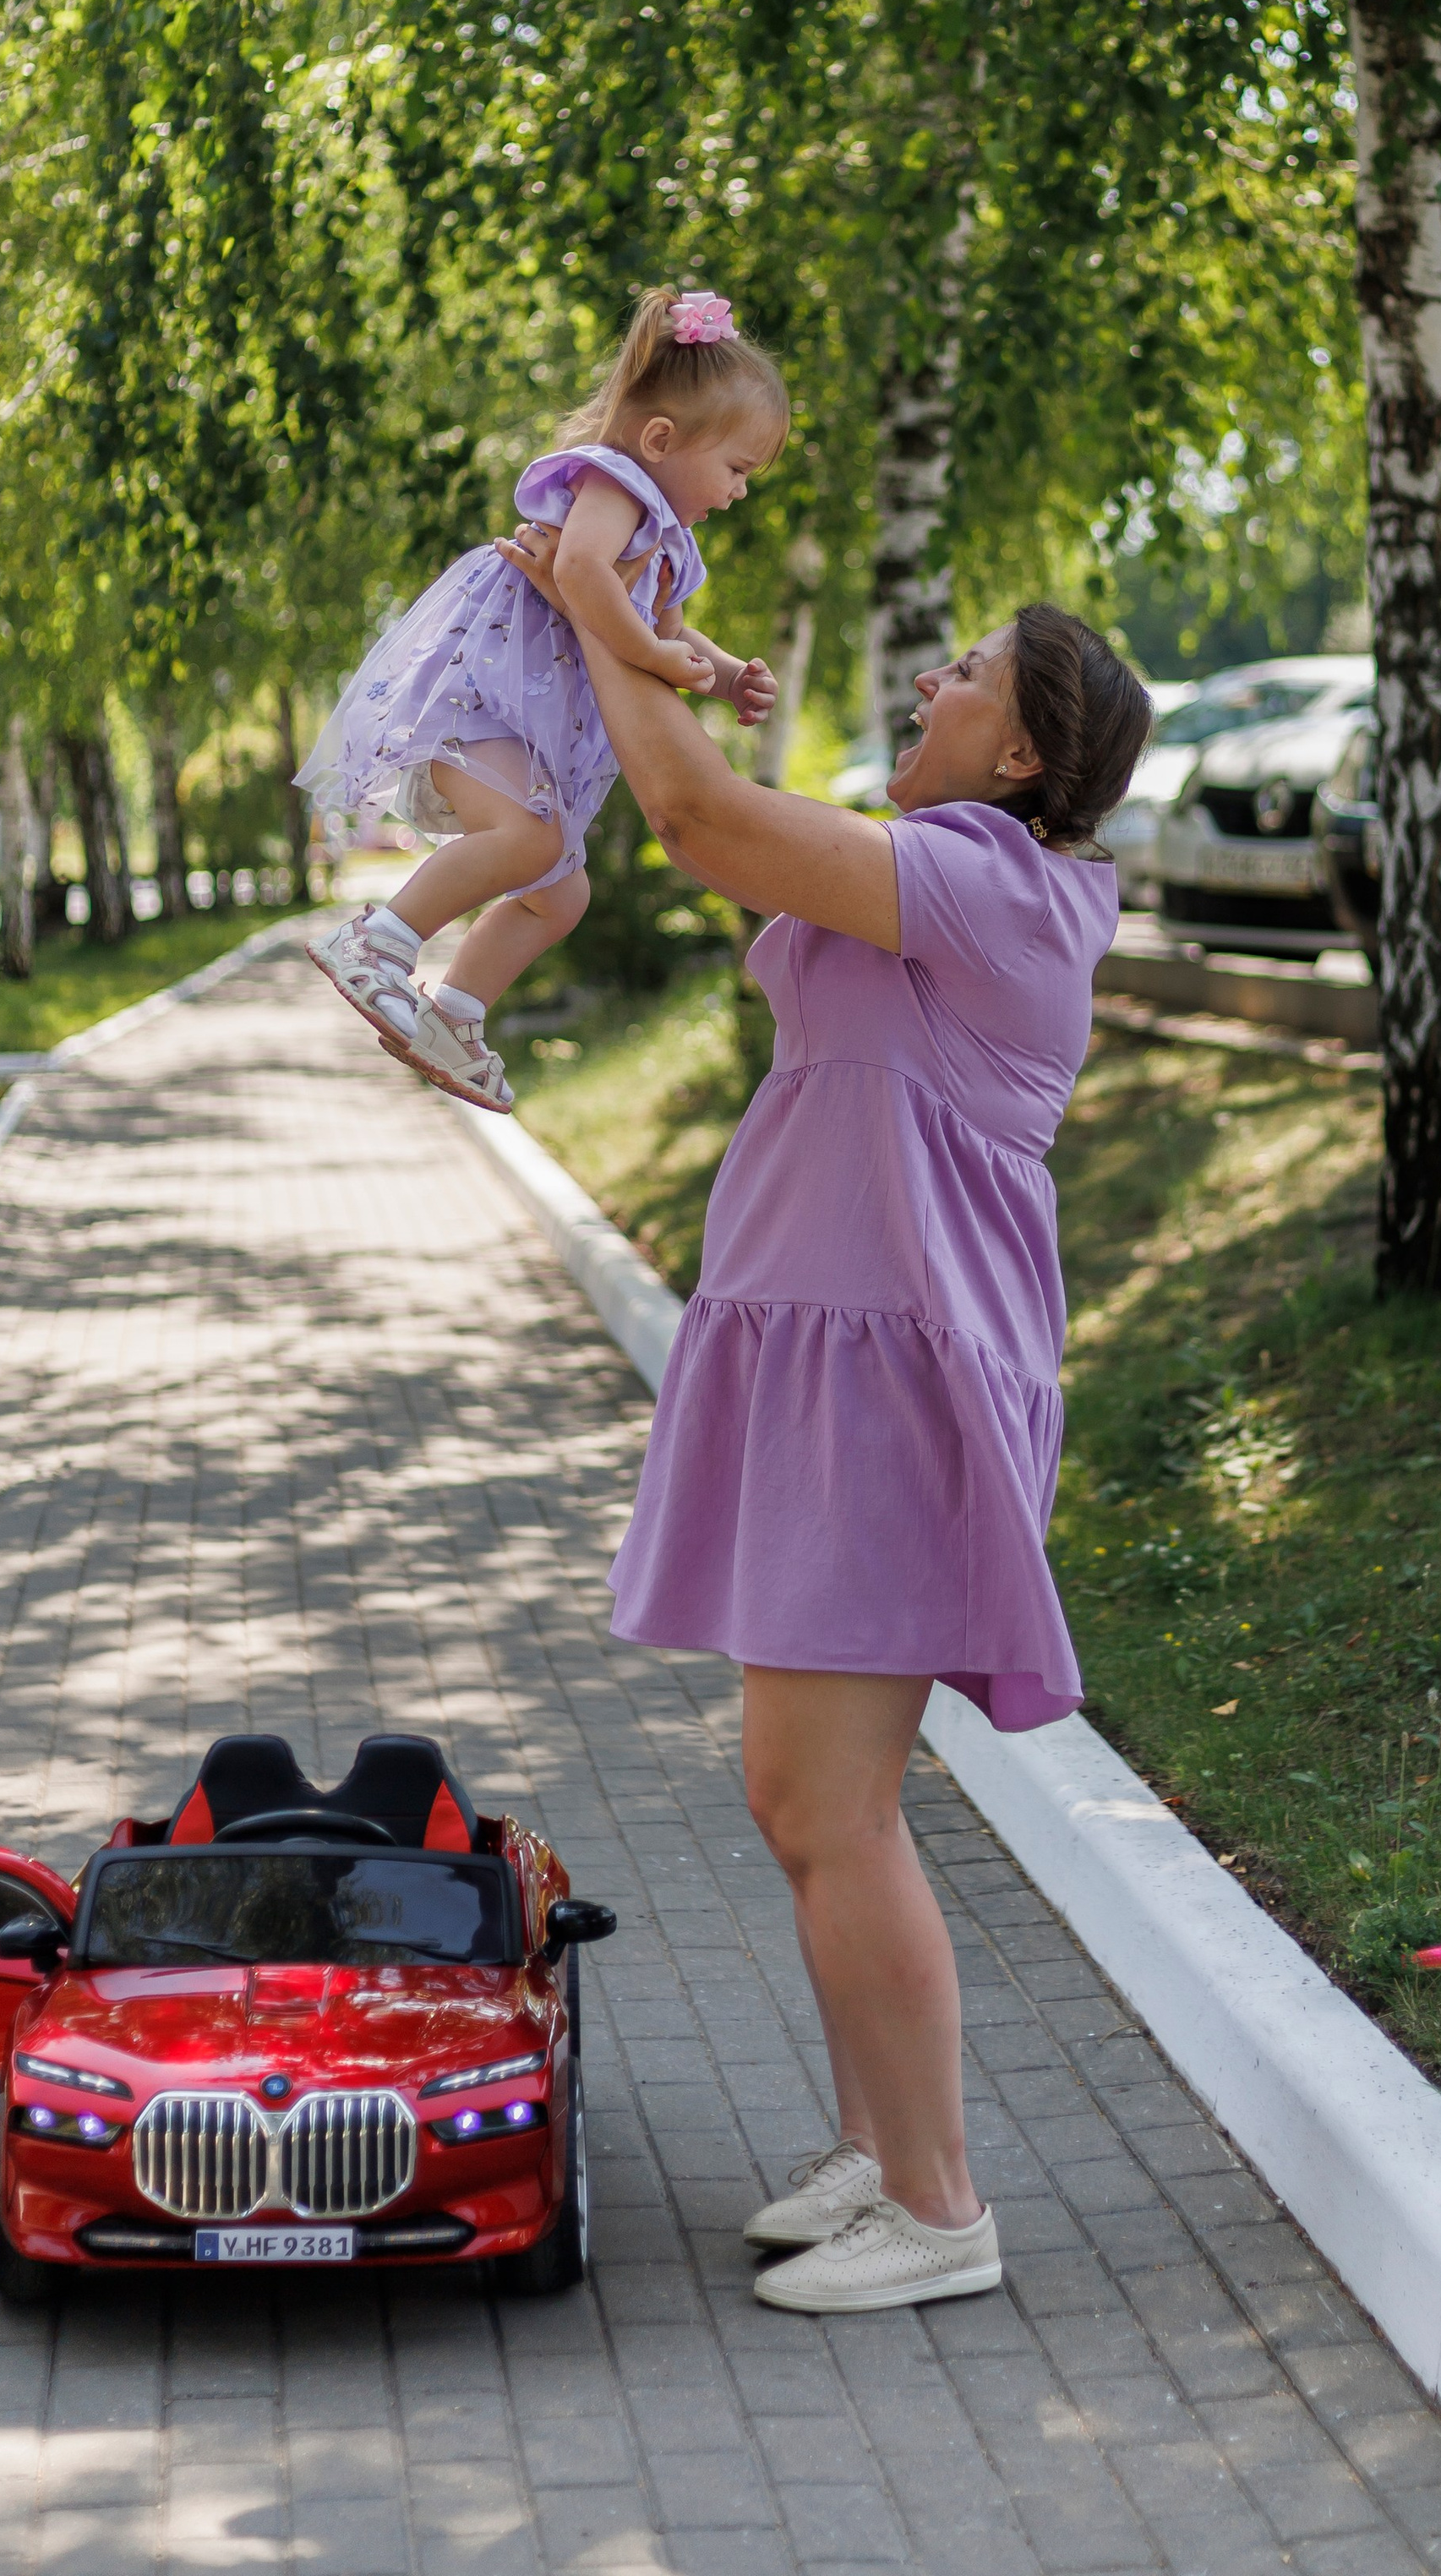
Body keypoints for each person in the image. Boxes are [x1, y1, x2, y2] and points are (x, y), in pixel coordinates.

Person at [496, 532, 1153, 2317]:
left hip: (897, 1370)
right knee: (810, 1800)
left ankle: (940, 2210)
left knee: (822, 1799)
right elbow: (705, 820)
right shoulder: (925, 870)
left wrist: (591, 602)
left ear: (1017, 757)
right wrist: (620, 632)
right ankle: (880, 2155)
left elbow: (699, 819)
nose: (926, 683)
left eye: (963, 674)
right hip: (836, 1357)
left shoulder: (986, 880)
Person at [297, 288, 784, 1111]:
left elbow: (666, 630)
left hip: (523, 719)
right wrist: (648, 650)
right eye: (736, 469)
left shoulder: (673, 544)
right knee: (529, 838)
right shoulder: (618, 483)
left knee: (562, 891)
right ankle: (377, 941)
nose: (739, 491)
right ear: (662, 440)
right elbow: (579, 574)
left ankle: (456, 1012)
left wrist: (727, 672)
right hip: (481, 699)